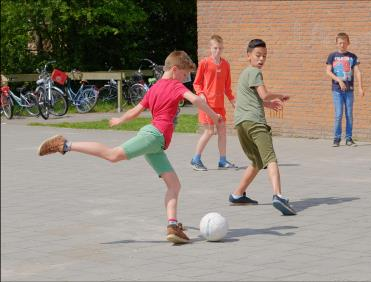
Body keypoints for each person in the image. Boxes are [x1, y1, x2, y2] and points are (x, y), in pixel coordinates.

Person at [37, 51, 222, 244]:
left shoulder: (154, 88)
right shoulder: (175, 85)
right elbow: (197, 100)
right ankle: (64, 144)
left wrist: (120, 119)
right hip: (153, 136)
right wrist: (214, 116)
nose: (185, 80)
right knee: (113, 155)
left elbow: (136, 110)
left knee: (174, 185)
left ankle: (173, 226)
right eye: (184, 75)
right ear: (175, 70)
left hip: (156, 145)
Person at [229, 39, 296, 216]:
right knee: (270, 157)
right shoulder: (255, 72)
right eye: (258, 55)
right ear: (248, 56)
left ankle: (237, 194)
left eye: (264, 56)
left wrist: (268, 105)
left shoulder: (244, 74)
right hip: (255, 122)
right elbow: (264, 94)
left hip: (241, 124)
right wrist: (280, 95)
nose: (261, 59)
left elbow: (251, 99)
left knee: (257, 161)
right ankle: (278, 195)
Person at [190, 34, 237, 171]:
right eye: (215, 48)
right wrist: (201, 94)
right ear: (210, 48)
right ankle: (195, 160)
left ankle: (222, 161)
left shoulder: (226, 64)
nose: (218, 51)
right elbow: (197, 83)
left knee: (222, 131)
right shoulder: (204, 63)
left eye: (220, 48)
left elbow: (227, 87)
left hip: (220, 105)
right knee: (209, 132)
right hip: (207, 105)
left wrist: (233, 101)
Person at [326, 32, 365, 147]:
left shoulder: (352, 56)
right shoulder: (332, 56)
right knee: (338, 114)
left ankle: (349, 138)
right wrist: (339, 80)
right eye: (340, 43)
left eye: (344, 42)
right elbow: (328, 71)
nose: (342, 45)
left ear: (348, 43)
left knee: (349, 114)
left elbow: (357, 72)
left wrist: (360, 87)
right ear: (337, 43)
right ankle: (336, 139)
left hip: (349, 90)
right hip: (337, 90)